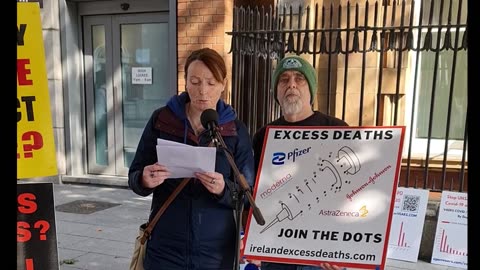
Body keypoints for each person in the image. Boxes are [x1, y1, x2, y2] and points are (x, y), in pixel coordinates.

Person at [128, 48, 255, 270]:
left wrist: (223, 190)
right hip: (165, 248)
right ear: (185, 82)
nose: (202, 91)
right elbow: (135, 176)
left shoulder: (234, 130)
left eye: (211, 82)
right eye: (195, 82)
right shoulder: (162, 120)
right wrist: (144, 180)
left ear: (223, 84)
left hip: (216, 252)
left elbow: (247, 195)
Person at [252, 55, 349, 270]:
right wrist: (255, 241)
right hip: (277, 251)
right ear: (276, 91)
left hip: (323, 254)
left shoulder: (337, 130)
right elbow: (256, 192)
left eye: (299, 79)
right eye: (284, 79)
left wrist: (342, 247)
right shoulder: (264, 136)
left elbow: (351, 193)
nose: (292, 85)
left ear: (311, 90)